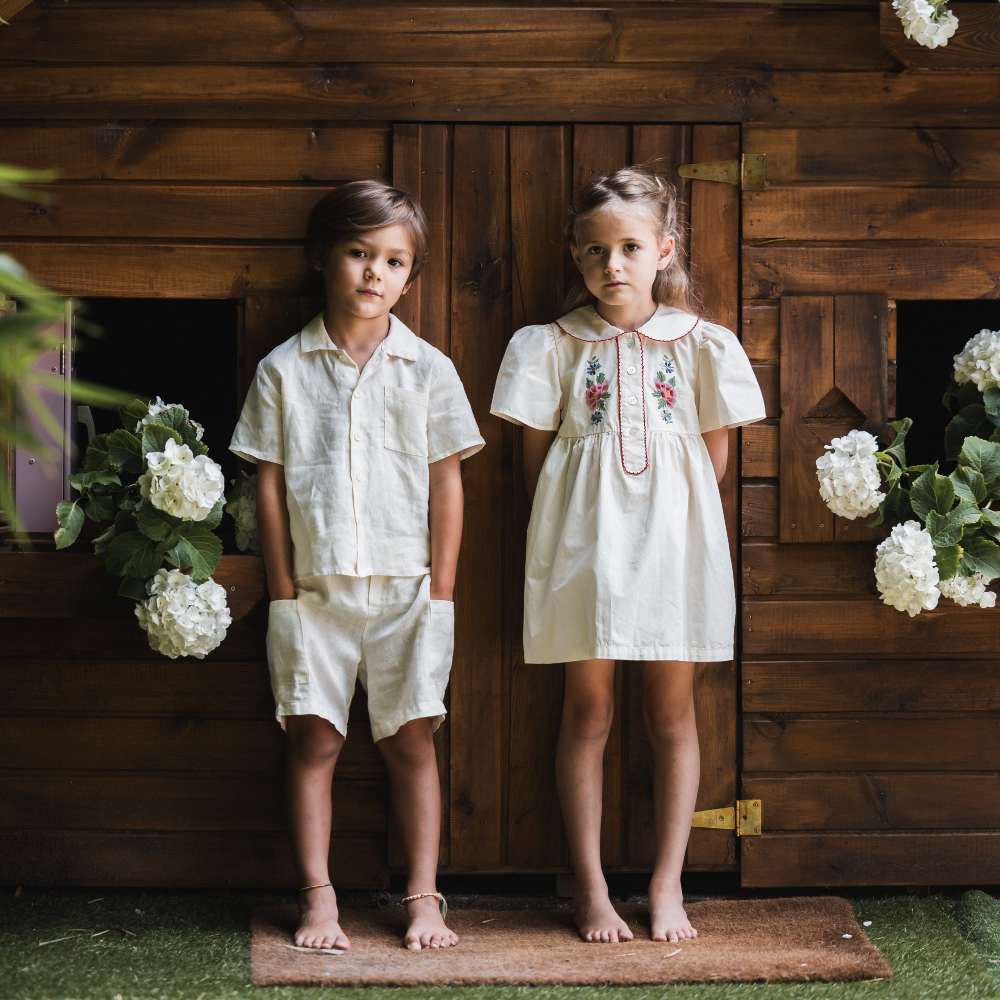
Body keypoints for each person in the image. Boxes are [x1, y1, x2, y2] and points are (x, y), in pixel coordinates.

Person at [490, 163, 766, 945]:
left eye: (630, 248)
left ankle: (667, 884)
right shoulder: (551, 346)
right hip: (585, 548)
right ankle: (589, 889)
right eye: (595, 251)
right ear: (575, 256)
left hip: (677, 546)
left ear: (663, 251)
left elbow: (711, 459)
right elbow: (535, 460)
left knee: (673, 712)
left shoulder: (704, 346)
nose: (613, 265)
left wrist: (658, 511)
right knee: (589, 710)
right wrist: (594, 512)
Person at [229, 180, 484, 953]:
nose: (376, 273)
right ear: (323, 258)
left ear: (411, 275)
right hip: (313, 593)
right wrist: (280, 588)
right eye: (359, 253)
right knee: (315, 739)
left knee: (412, 739)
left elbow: (448, 480)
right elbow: (268, 483)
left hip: (409, 592)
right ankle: (318, 898)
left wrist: (441, 590)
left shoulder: (428, 369)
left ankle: (423, 897)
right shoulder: (283, 369)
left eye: (395, 261)